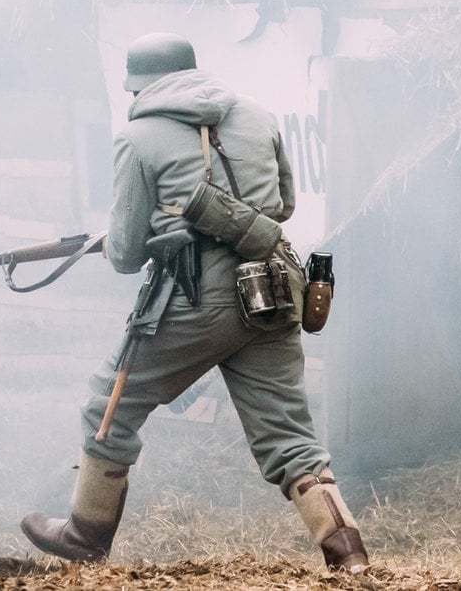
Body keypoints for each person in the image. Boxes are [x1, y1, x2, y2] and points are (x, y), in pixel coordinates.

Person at [19, 32, 371, 572]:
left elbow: (126, 255)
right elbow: (283, 204)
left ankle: (84, 536)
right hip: (273, 289)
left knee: (105, 409)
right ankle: (349, 555)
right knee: (291, 439)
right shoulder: (259, 115)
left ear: (139, 86)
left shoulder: (136, 138)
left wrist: (118, 239)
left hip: (194, 297)